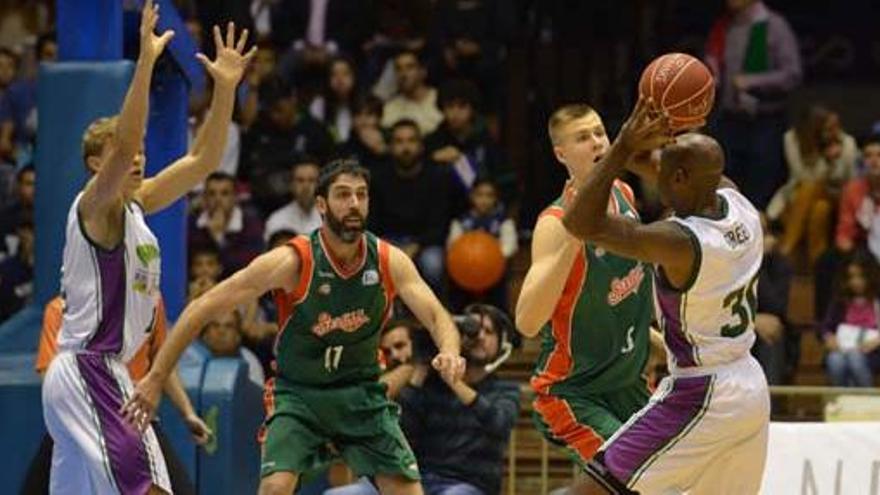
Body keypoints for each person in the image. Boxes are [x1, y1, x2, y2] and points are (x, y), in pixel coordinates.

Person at [122, 159, 466, 495]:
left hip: (361, 394)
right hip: (300, 395)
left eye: (361, 195)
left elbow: (437, 315)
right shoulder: (293, 261)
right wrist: (154, 378)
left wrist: (450, 350)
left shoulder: (390, 260)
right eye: (343, 195)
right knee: (275, 486)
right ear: (321, 204)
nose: (354, 204)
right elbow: (202, 307)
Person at [40, 4, 254, 493]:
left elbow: (203, 160)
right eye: (123, 151)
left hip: (102, 370)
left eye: (138, 153)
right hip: (90, 368)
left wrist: (224, 90)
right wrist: (145, 63)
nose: (136, 155)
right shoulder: (95, 204)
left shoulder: (139, 203)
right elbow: (130, 134)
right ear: (99, 163)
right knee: (152, 488)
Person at [563, 99, 769, 494]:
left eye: (665, 172)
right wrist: (659, 145)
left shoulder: (681, 241)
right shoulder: (737, 203)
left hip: (701, 392)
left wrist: (622, 147)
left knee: (587, 491)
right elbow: (678, 171)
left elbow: (580, 223)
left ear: (678, 180)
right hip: (749, 386)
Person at [514, 104, 656, 468]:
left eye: (598, 133)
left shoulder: (624, 194)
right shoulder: (555, 224)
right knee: (629, 475)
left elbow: (629, 293)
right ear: (561, 154)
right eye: (582, 137)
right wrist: (575, 238)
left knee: (670, 479)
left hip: (628, 384)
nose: (595, 142)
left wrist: (666, 341)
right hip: (573, 391)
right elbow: (527, 323)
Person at [23, 295, 211, 495]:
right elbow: (50, 373)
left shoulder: (151, 300)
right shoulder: (61, 309)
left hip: (135, 415)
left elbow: (162, 363)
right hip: (79, 415)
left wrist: (187, 412)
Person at [820, 253, 880, 387]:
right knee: (834, 360)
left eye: (861, 277)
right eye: (851, 277)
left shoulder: (877, 300)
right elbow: (825, 327)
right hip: (843, 349)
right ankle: (842, 400)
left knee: (855, 358)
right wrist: (829, 338)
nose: (856, 282)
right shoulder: (840, 301)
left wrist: (877, 341)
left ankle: (866, 400)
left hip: (872, 352)